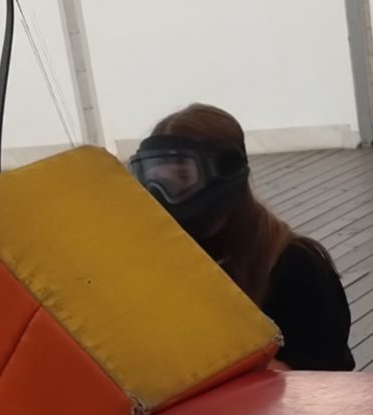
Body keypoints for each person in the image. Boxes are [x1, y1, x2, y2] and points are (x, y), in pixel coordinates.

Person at [130, 105, 354, 371]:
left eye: (182, 177)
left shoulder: (296, 265)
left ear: (225, 173)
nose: (163, 195)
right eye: (155, 181)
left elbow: (325, 378)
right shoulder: (158, 262)